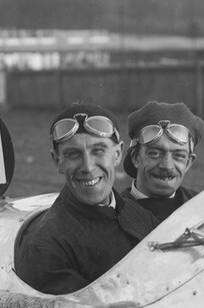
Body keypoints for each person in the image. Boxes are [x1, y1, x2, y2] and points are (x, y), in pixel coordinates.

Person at [14, 102, 159, 295]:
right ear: (58, 162)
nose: (88, 167)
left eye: (98, 150)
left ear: (117, 154)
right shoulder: (46, 246)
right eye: (73, 154)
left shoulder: (142, 216)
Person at [120, 100, 204, 223]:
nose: (167, 165)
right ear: (135, 157)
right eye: (155, 153)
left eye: (178, 156)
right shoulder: (114, 214)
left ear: (188, 163)